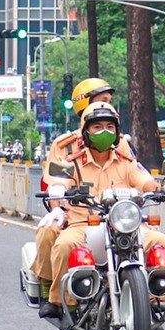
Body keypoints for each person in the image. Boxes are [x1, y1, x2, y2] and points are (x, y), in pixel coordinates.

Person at [36, 101, 165, 320]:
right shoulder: (72, 162)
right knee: (64, 245)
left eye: (110, 127)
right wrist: (57, 192)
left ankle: (153, 299)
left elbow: (144, 181)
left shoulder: (126, 161)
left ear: (117, 131)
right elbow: (60, 180)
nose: (104, 131)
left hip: (125, 225)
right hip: (83, 224)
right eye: (97, 127)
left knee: (159, 241)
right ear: (86, 131)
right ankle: (62, 302)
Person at [30, 78, 116, 294]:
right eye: (103, 100)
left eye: (109, 101)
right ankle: (50, 287)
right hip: (73, 212)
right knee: (48, 232)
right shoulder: (65, 145)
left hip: (112, 213)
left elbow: (134, 171)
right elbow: (56, 179)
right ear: (85, 105)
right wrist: (58, 204)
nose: (108, 105)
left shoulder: (118, 140)